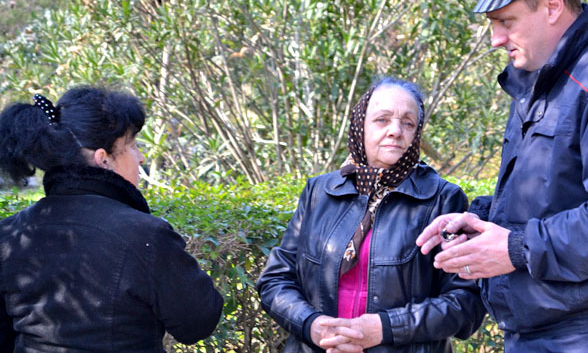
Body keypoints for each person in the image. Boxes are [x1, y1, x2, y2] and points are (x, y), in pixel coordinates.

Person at [416, 0, 588, 351]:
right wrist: (479, 221)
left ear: (552, 6)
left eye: (506, 21)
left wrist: (515, 248)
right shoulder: (538, 80)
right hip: (536, 332)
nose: (496, 39)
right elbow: (547, 196)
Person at [257, 77, 485, 353]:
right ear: (360, 125)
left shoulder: (442, 199)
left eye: (408, 123)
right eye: (382, 120)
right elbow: (275, 280)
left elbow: (466, 304)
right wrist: (312, 326)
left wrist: (385, 328)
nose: (395, 131)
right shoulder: (319, 192)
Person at [0, 86, 223, 352]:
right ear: (103, 159)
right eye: (132, 145)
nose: (140, 157)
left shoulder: (9, 234)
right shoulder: (145, 234)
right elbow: (198, 322)